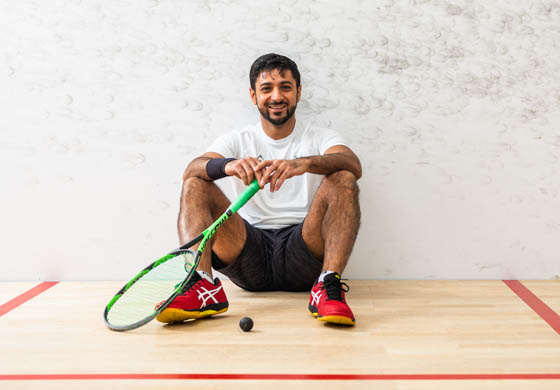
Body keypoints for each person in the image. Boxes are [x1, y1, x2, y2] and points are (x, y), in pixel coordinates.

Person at [156, 53, 362, 326]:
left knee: (344, 177)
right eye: (267, 88)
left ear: (298, 92)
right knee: (196, 183)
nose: (276, 96)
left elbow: (353, 163)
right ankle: (202, 285)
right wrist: (228, 165)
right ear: (254, 96)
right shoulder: (238, 139)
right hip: (248, 251)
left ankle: (327, 285)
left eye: (285, 87)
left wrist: (304, 164)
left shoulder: (318, 136)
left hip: (303, 250)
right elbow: (192, 168)